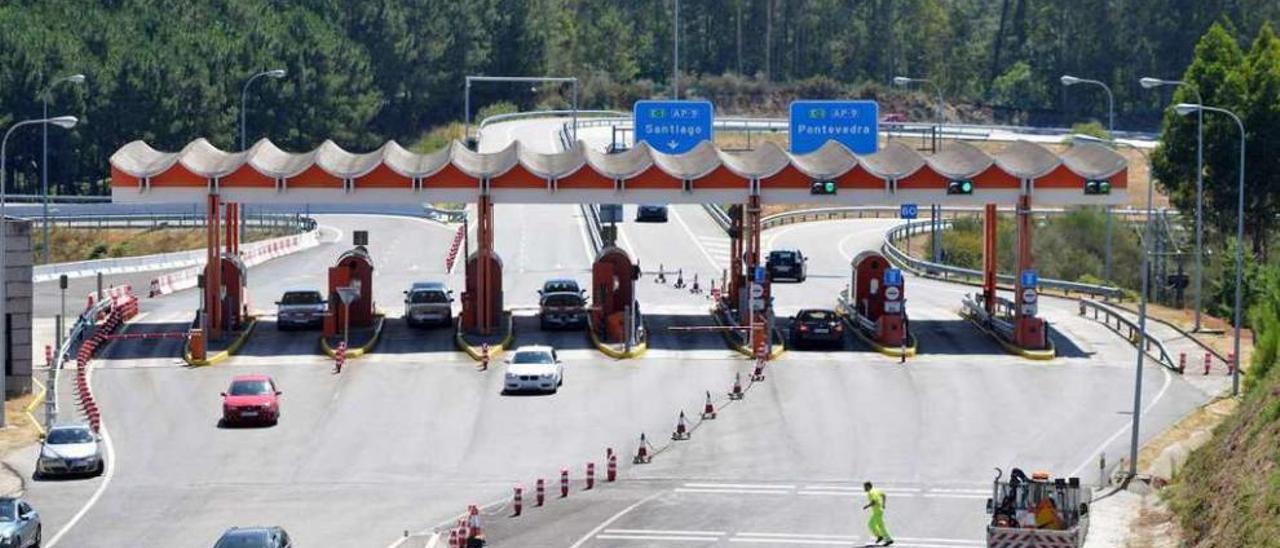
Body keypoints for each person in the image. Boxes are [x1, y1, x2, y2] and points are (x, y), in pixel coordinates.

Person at [862, 481, 893, 546]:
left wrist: (867, 506)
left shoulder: (871, 493)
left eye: (865, 487)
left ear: (868, 486)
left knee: (879, 526)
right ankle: (880, 536)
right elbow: (883, 495)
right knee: (872, 524)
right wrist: (884, 504)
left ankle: (888, 539)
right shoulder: (876, 490)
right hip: (879, 510)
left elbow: (874, 502)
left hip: (877, 512)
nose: (864, 488)